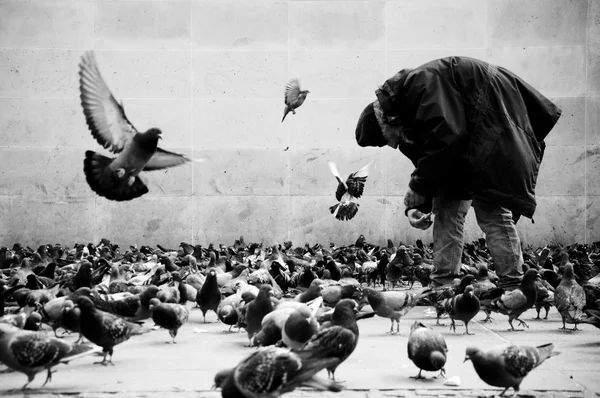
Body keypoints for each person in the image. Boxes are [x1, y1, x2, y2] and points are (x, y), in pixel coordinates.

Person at [354, 56, 562, 290]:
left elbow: (447, 137)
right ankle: (443, 284)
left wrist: (417, 189)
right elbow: (432, 166)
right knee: (445, 208)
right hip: (465, 142)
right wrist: (419, 207)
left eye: (388, 139)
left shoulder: (418, 85)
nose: (394, 145)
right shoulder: (408, 125)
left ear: (388, 122)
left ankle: (513, 284)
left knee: (491, 211)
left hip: (490, 125)